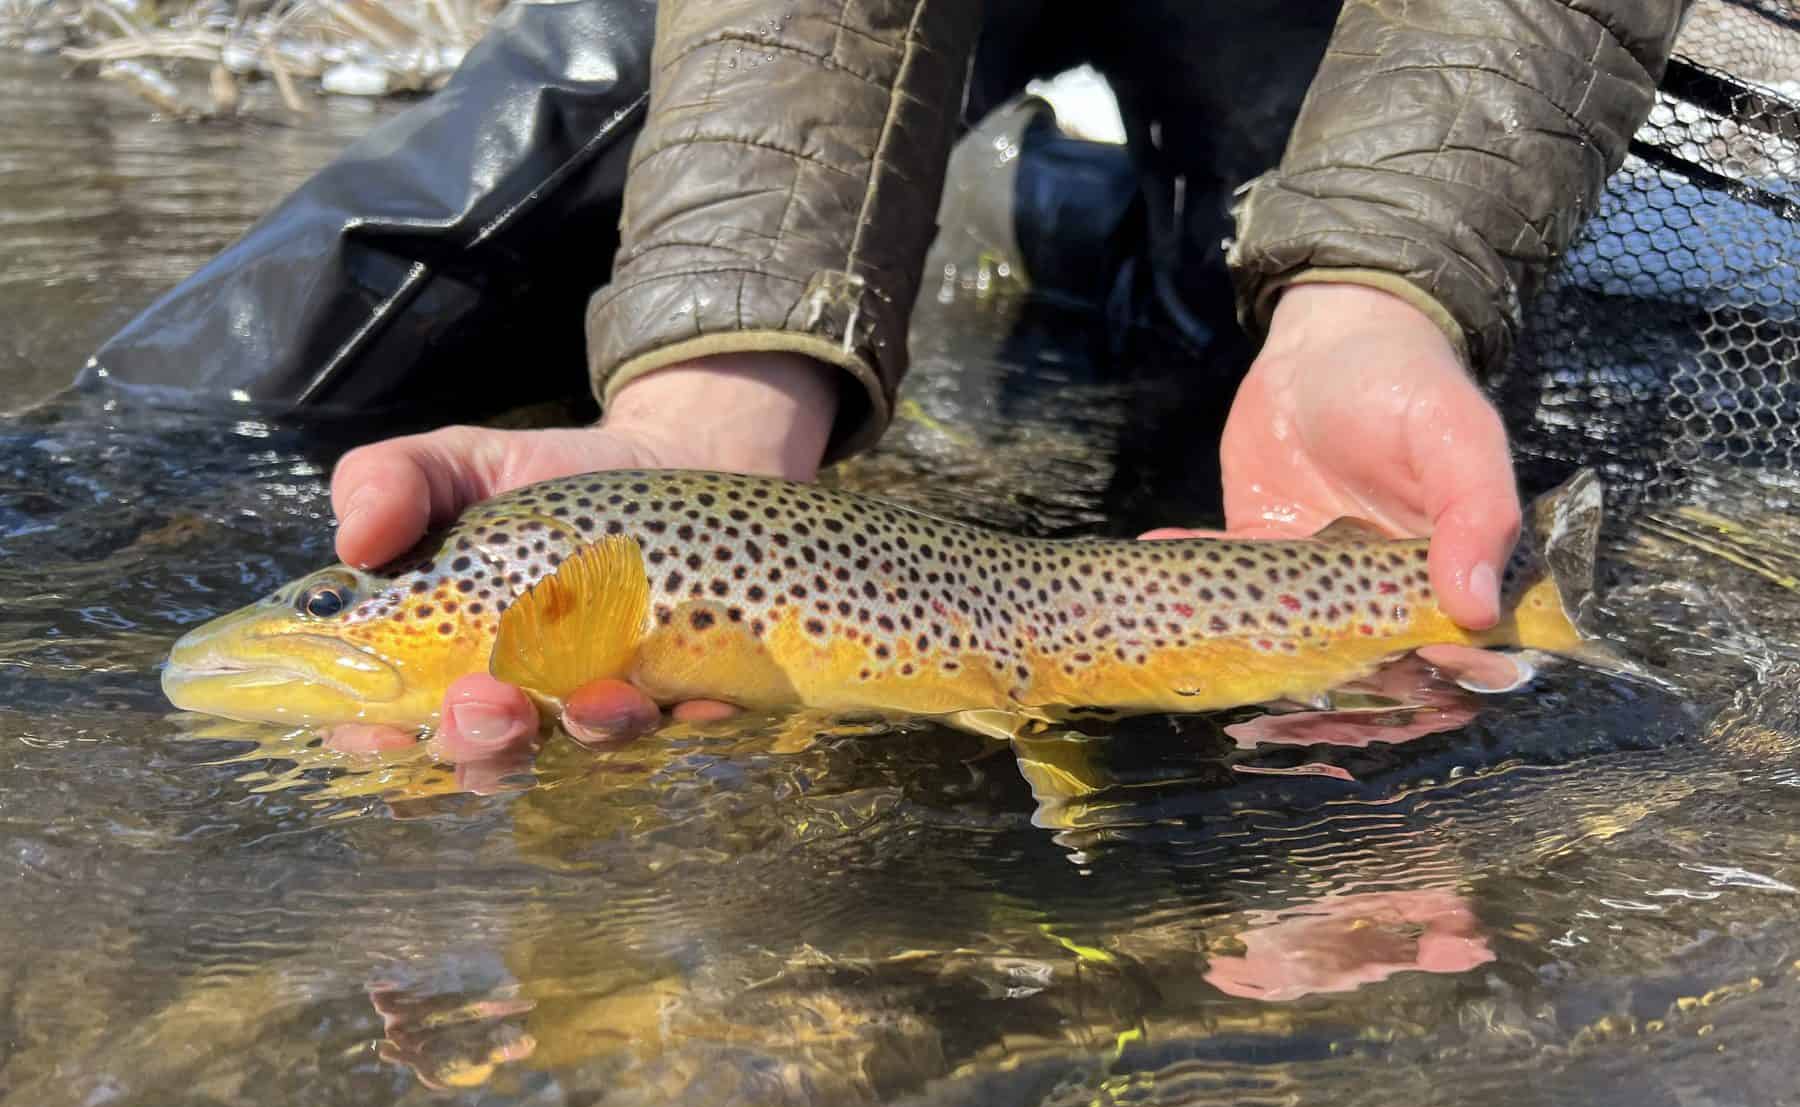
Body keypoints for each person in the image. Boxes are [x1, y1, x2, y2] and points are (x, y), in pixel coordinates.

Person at [94, 0, 1691, 765]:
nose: (336, 610)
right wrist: (719, 370)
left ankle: (1159, 232)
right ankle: (80, 485)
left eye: (340, 604)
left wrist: (1374, 290)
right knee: (313, 316)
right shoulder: (516, 578)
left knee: (1231, 361)